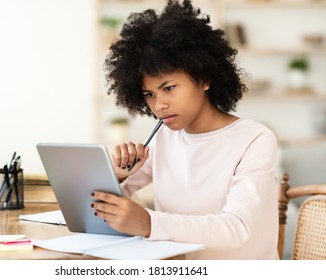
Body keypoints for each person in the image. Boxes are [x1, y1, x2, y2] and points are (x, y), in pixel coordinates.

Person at [91, 0, 278, 260]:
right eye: (149, 94)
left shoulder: (255, 139)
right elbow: (101, 210)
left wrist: (149, 223)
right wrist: (117, 175)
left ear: (203, 78)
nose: (159, 104)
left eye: (168, 88)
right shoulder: (164, 138)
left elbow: (237, 228)